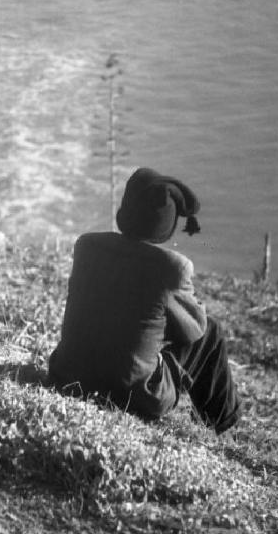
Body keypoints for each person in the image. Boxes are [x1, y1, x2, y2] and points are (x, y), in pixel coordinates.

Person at [48, 167, 241, 435]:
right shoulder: (172, 268)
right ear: (167, 226)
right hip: (134, 396)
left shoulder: (87, 246)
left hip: (67, 374)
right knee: (211, 333)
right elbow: (194, 330)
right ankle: (221, 426)